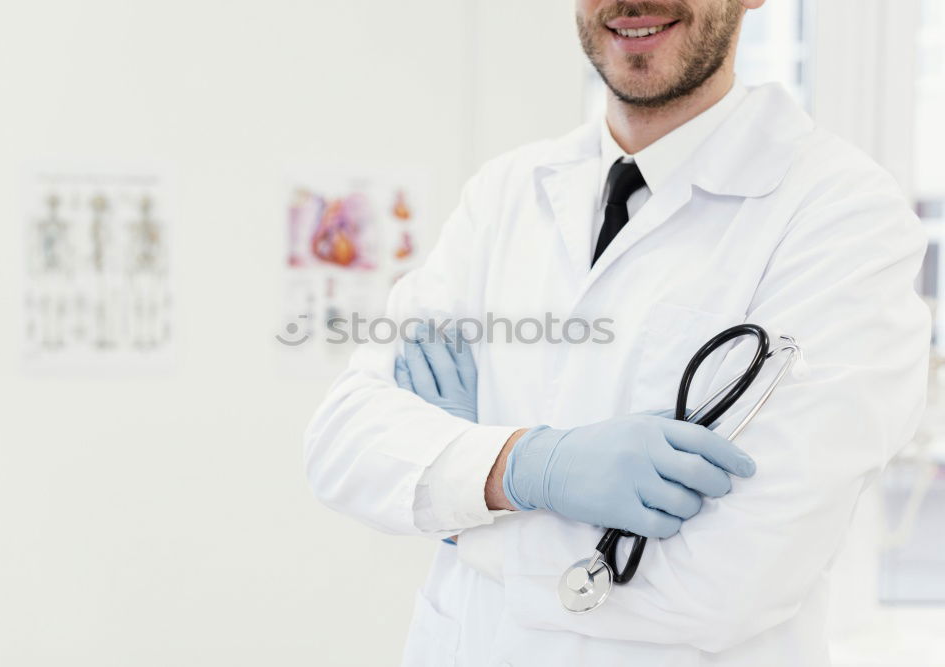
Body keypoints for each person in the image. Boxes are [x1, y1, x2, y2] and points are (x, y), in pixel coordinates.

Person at [303, 0, 931, 664]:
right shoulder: (504, 194)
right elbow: (342, 440)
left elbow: (731, 581)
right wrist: (526, 467)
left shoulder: (844, 218)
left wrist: (468, 500)